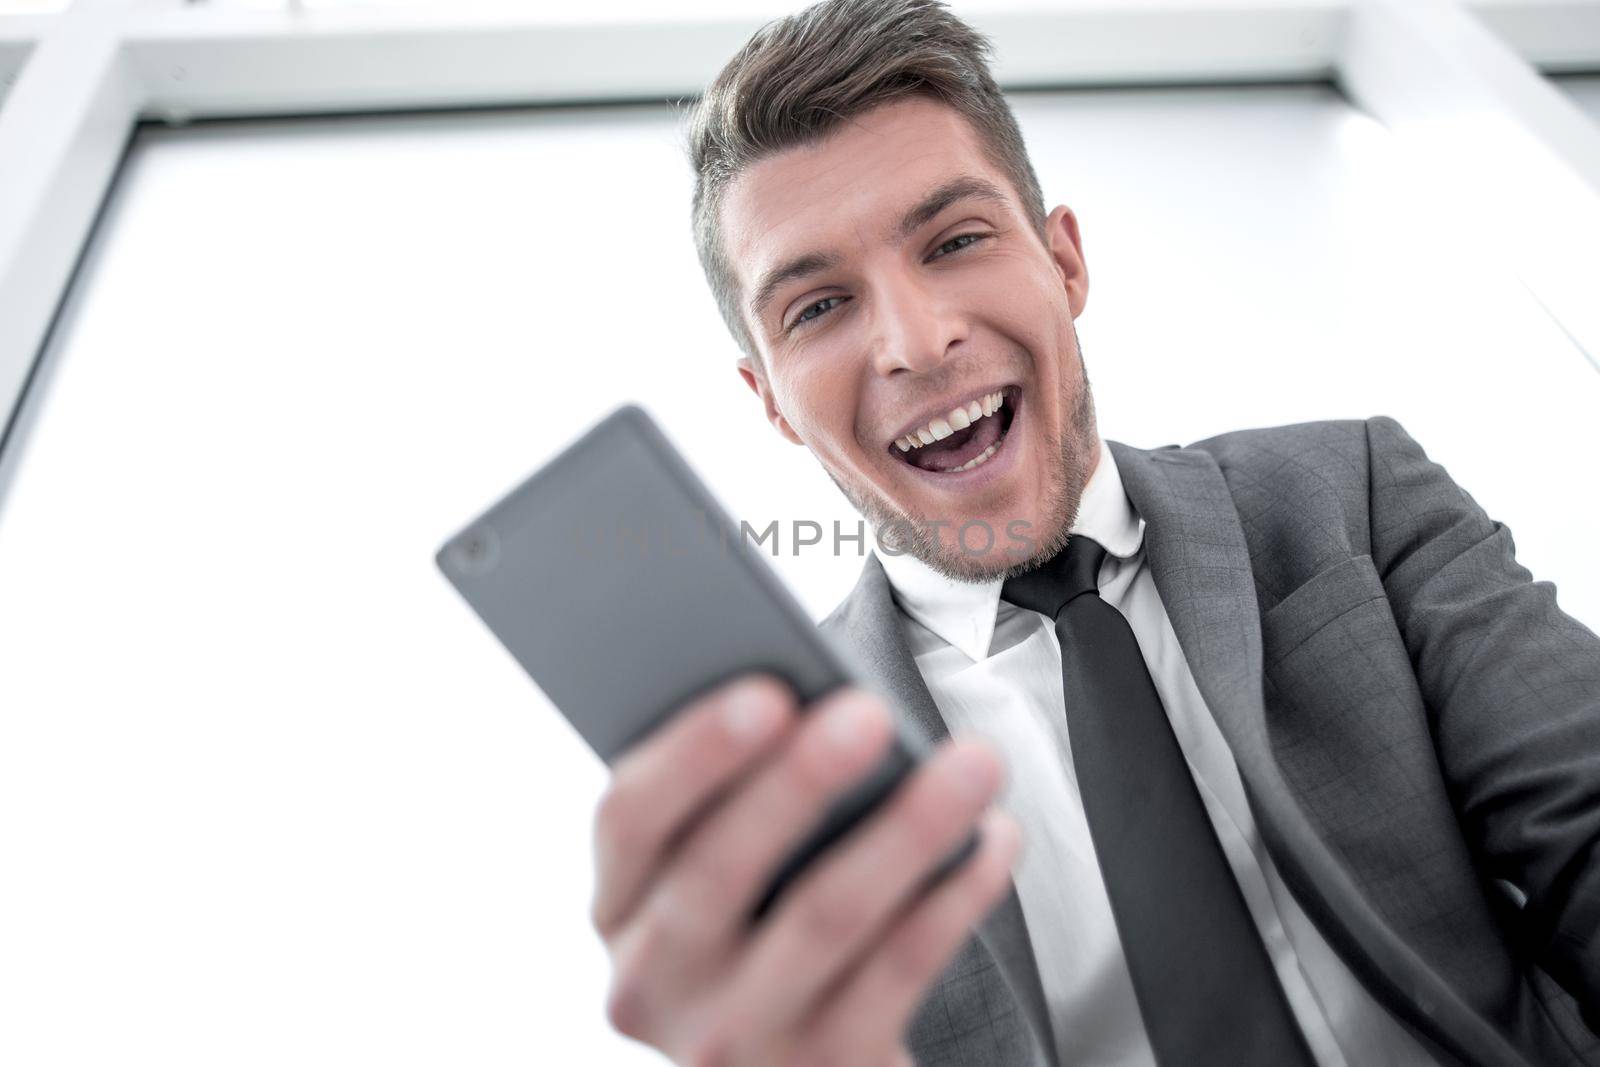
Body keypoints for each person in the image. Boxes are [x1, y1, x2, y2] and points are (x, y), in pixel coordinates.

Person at [586, 1, 1600, 1064]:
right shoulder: (789, 782)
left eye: (956, 240)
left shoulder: (1350, 494)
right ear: (771, 400)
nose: (915, 339)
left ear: (1064, 260)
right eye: (817, 307)